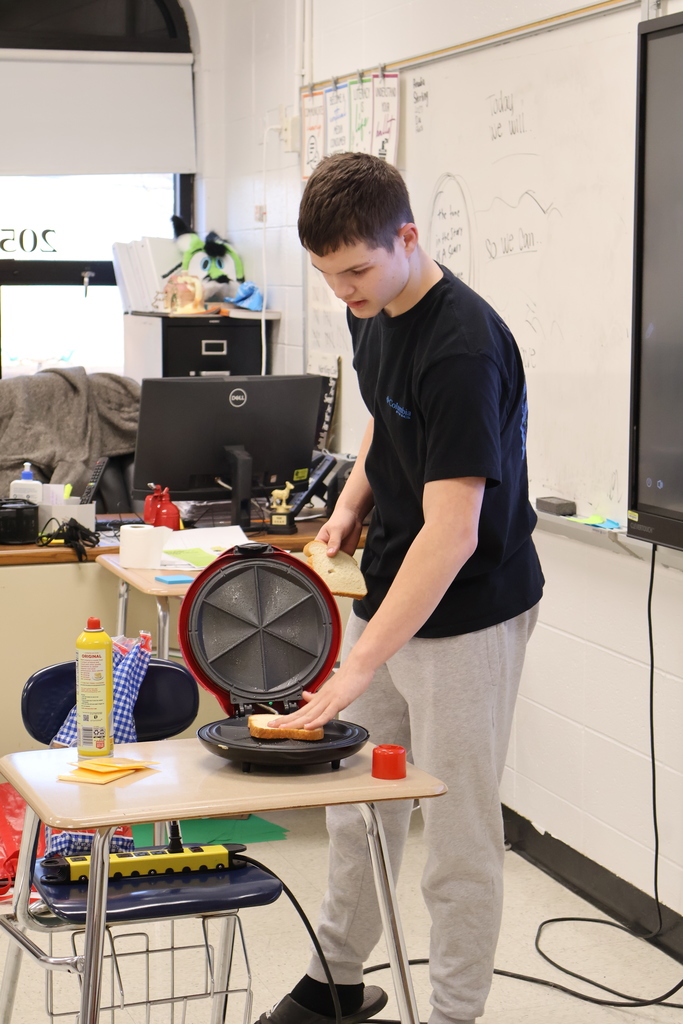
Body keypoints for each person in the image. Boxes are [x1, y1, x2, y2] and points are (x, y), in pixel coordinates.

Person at [255, 152, 544, 1024]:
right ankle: (334, 982)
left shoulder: (462, 348)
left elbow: (453, 534)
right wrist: (349, 505)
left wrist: (353, 668)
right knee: (356, 805)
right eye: (328, 276)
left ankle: (453, 1013)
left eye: (355, 271)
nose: (344, 292)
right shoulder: (374, 308)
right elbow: (387, 416)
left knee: (455, 836)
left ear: (407, 238)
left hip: (469, 610)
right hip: (391, 593)